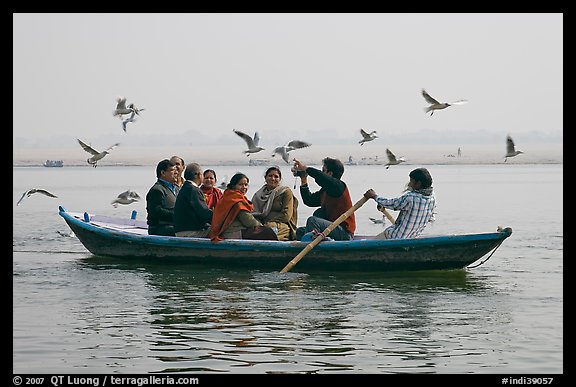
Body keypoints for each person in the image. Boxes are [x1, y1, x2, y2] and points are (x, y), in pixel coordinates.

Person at [292, 157, 355, 241]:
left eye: (323, 170)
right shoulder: (325, 191)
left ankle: (314, 250)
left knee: (313, 221)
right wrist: (304, 179)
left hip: (344, 233)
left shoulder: (339, 187)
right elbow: (309, 200)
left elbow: (321, 177)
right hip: (330, 229)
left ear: (330, 174)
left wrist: (305, 168)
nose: (321, 172)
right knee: (300, 231)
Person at [363, 167, 436, 239]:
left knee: (367, 245)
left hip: (395, 237)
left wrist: (374, 196)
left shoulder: (410, 197)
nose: (410, 184)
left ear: (418, 183)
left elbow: (392, 204)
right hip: (412, 238)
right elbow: (431, 218)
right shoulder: (432, 199)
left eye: (411, 181)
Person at [209, 173, 277, 242]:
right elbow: (249, 221)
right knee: (267, 232)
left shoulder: (228, 196)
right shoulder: (235, 200)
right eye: (240, 185)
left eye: (246, 185)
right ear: (233, 186)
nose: (244, 187)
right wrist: (262, 226)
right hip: (231, 233)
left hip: (226, 231)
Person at [251, 166, 298, 241]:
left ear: (279, 179)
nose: (273, 179)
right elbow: (254, 213)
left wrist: (269, 222)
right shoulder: (258, 195)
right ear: (265, 178)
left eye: (276, 177)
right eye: (270, 176)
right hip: (261, 225)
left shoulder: (285, 192)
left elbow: (286, 216)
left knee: (269, 230)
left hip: (282, 225)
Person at [174, 163, 213, 238]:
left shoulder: (185, 188)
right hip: (190, 232)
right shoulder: (193, 190)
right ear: (198, 175)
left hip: (182, 230)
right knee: (222, 231)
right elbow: (204, 213)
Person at [146, 159, 180, 236]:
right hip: (159, 228)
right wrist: (178, 214)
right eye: (172, 170)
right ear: (163, 173)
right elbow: (157, 212)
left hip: (175, 225)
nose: (176, 173)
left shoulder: (177, 189)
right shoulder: (157, 190)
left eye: (176, 170)